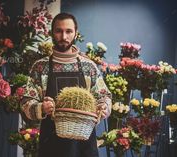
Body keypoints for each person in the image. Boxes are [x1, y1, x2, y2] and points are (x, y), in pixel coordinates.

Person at [22, 12, 112, 157]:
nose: (64, 37)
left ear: (76, 33)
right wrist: (40, 108)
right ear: (52, 33)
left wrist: (105, 107)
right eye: (59, 31)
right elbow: (26, 103)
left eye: (69, 31)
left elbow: (104, 96)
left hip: (84, 147)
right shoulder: (40, 67)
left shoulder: (89, 67)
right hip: (51, 146)